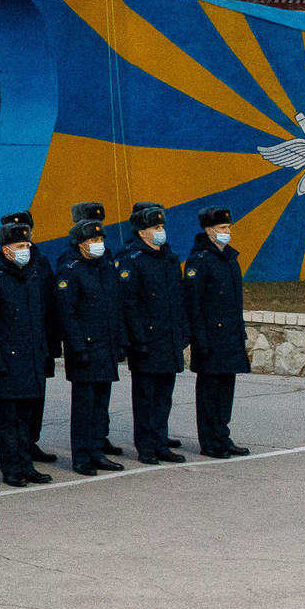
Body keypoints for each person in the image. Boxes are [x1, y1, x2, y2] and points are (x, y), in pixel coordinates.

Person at [0, 222, 56, 486]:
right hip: (8, 363)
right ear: (6, 249)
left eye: (27, 245)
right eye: (20, 246)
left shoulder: (30, 276)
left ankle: (26, 464)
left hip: (31, 360)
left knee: (26, 418)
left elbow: (38, 319)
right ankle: (11, 467)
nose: (26, 250)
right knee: (8, 421)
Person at [119, 202, 190, 464]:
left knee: (163, 397)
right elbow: (129, 305)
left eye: (162, 226)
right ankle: (146, 446)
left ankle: (161, 442)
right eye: (156, 227)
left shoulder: (170, 259)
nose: (161, 231)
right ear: (142, 232)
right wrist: (137, 339)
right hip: (147, 341)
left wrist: (183, 332)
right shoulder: (133, 262)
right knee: (145, 398)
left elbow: (178, 299)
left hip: (168, 339)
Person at [57, 219, 129, 475]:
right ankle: (82, 456)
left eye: (101, 240)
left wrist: (121, 341)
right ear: (80, 243)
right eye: (93, 241)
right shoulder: (71, 270)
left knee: (100, 404)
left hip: (106, 347)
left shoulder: (106, 266)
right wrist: (78, 347)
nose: (99, 245)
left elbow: (116, 307)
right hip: (85, 350)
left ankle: (97, 450)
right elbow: (67, 313)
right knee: (84, 407)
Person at [184, 206, 252, 458]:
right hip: (210, 338)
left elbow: (235, 303)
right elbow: (193, 303)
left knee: (225, 391)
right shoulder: (199, 261)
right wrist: (199, 338)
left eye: (229, 227)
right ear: (209, 231)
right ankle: (209, 441)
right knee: (209, 393)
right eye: (223, 228)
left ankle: (223, 436)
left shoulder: (230, 259)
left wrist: (240, 333)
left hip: (230, 337)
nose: (228, 231)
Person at [0, 210, 63, 467]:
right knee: (17, 401)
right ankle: (16, 448)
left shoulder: (41, 261)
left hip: (41, 340)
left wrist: (53, 341)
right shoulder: (2, 269)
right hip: (16, 345)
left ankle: (30, 441)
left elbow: (51, 302)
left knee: (38, 395)